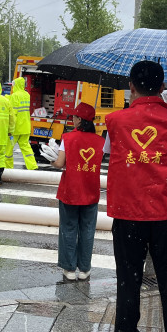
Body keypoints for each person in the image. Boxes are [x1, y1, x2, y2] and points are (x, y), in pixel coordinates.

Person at [104, 60, 167, 332]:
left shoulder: (115, 120)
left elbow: (108, 152)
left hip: (128, 214)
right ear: (162, 85)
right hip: (166, 213)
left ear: (131, 86)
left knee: (128, 280)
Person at [46, 102, 104, 281]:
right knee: (87, 230)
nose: (72, 119)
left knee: (68, 228)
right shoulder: (101, 141)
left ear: (79, 119)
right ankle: (84, 269)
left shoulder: (68, 138)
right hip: (90, 190)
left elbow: (60, 163)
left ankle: (69, 269)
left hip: (70, 190)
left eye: (74, 117)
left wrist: (51, 160)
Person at [5, 76, 38, 170]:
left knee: (8, 149)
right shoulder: (26, 95)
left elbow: (13, 113)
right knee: (26, 147)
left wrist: (10, 128)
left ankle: (8, 168)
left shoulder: (15, 96)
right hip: (25, 126)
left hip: (15, 128)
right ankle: (32, 166)